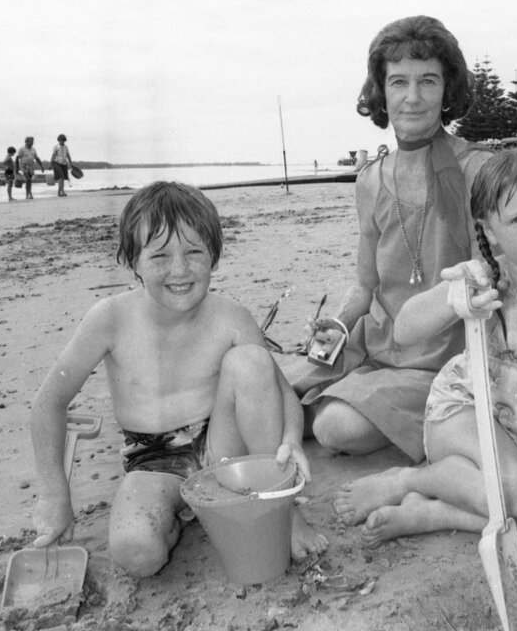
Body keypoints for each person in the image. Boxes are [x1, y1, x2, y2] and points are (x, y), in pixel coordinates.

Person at [29, 182, 328, 577]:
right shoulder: (109, 319)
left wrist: (290, 442)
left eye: (193, 253)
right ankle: (183, 513)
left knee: (252, 362)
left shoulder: (230, 316)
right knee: (137, 553)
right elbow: (48, 403)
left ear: (214, 258)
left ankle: (280, 507)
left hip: (222, 448)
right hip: (153, 460)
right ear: (133, 261)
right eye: (160, 256)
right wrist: (54, 494)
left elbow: (283, 393)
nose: (180, 270)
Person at [334, 150, 517, 543]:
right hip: (463, 417)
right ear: (490, 231)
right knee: (516, 491)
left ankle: (437, 512)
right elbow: (405, 329)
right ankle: (411, 479)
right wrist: (453, 295)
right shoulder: (484, 282)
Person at [285, 15, 491, 463]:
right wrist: (336, 326)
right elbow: (365, 285)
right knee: (276, 396)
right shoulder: (370, 179)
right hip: (373, 340)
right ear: (381, 91)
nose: (412, 98)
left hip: (441, 352)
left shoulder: (477, 171)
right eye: (398, 82)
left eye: (428, 81)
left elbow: (484, 281)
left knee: (332, 426)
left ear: (447, 89)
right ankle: (348, 390)